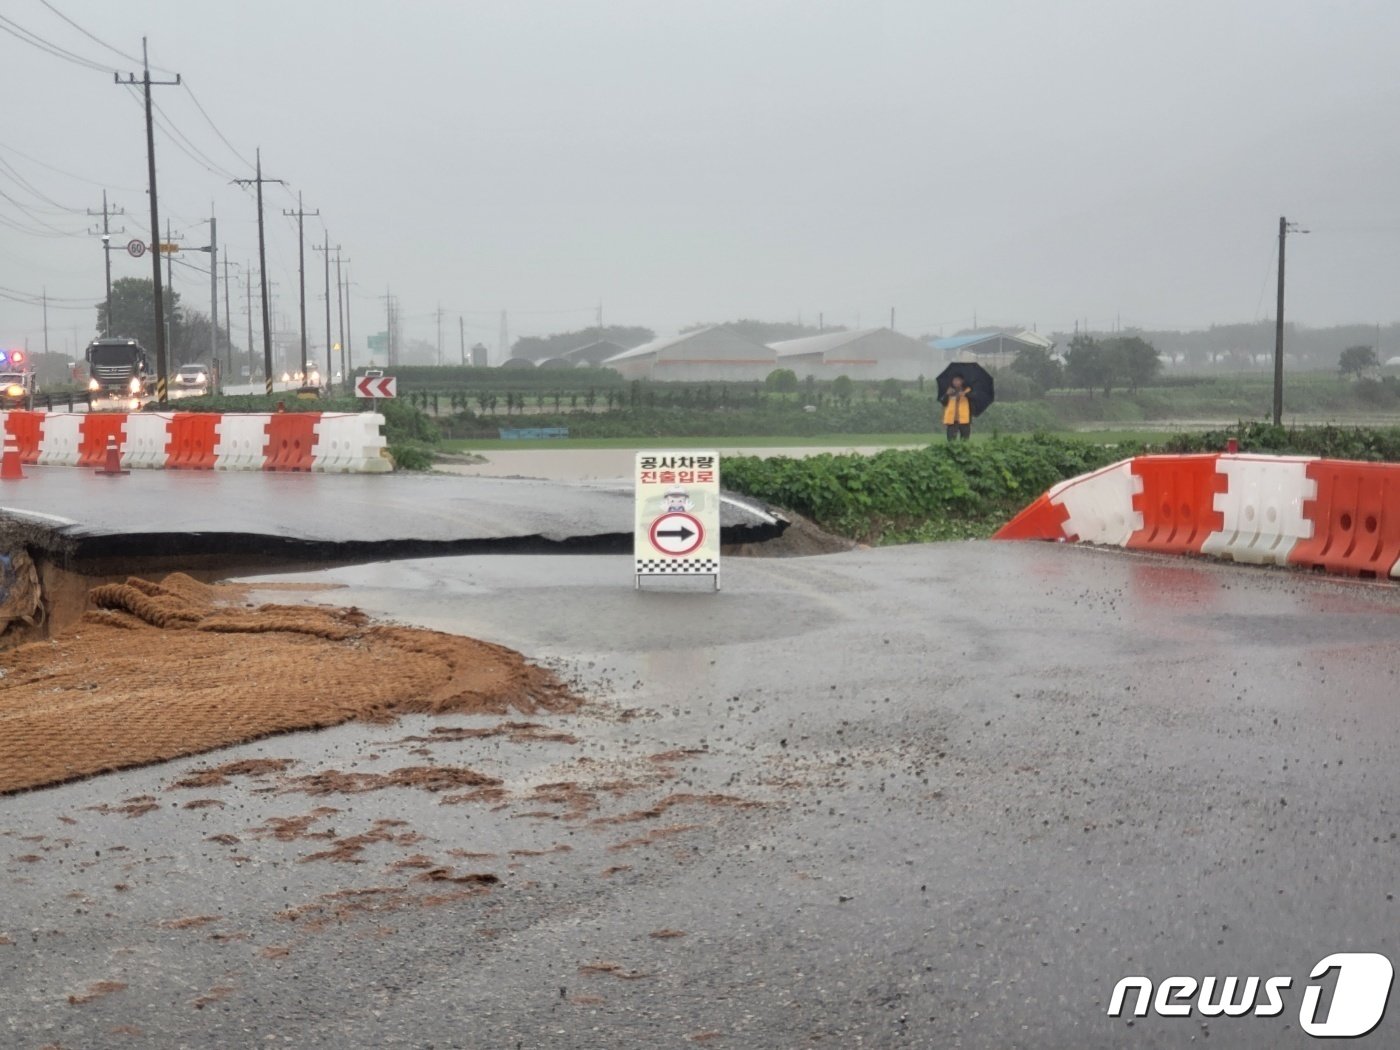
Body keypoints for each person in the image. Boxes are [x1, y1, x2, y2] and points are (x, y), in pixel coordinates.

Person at [941, 375, 972, 440]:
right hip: (952, 420)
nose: (955, 382)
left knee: (965, 441)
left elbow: (974, 399)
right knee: (951, 440)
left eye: (957, 380)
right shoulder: (950, 390)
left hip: (964, 420)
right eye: (954, 380)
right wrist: (947, 394)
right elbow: (943, 402)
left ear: (962, 381)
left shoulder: (967, 390)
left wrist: (965, 394)